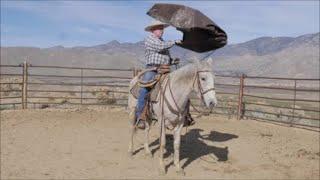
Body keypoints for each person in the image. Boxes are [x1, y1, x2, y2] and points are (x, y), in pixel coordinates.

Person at [135, 20, 193, 128]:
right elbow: (160, 47)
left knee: (181, 88)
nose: (162, 30)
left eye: (162, 28)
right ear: (153, 30)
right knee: (144, 88)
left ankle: (185, 115)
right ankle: (140, 116)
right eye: (159, 28)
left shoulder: (162, 41)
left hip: (165, 69)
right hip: (152, 69)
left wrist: (171, 61)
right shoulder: (150, 39)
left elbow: (163, 55)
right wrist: (175, 41)